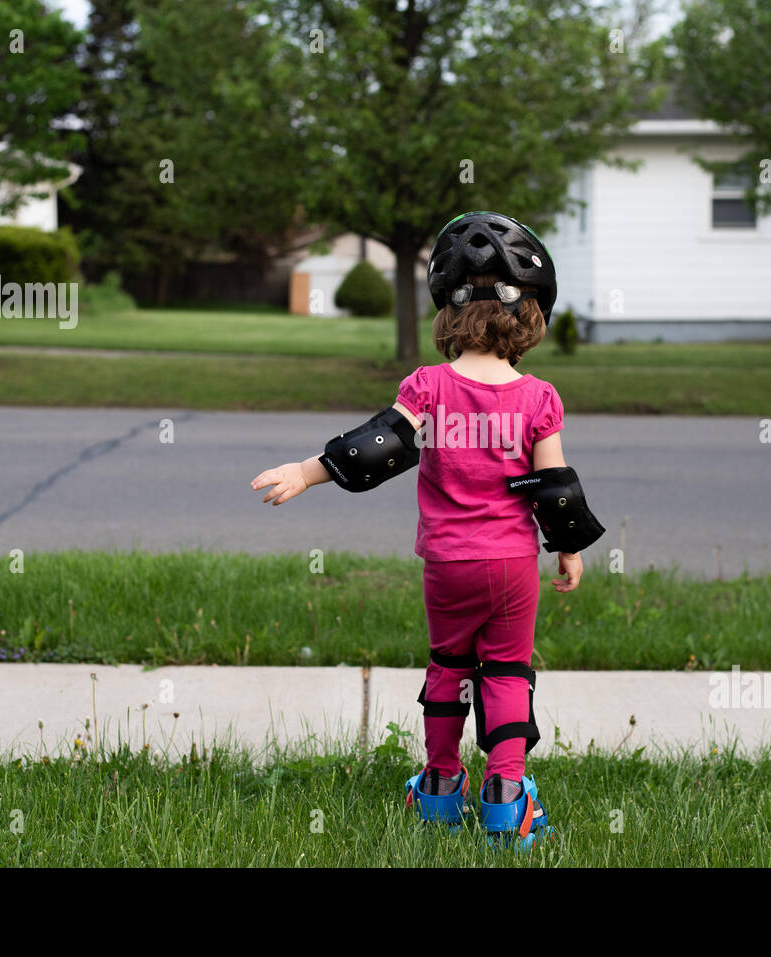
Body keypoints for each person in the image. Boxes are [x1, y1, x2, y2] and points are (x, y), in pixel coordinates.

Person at [250, 211, 605, 848]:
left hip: (447, 563)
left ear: (446, 315)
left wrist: (306, 473)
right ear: (530, 316)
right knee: (506, 672)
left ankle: (440, 788)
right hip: (513, 565)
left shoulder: (429, 387)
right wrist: (570, 548)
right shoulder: (539, 398)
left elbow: (374, 448)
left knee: (449, 668)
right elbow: (554, 489)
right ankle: (505, 798)